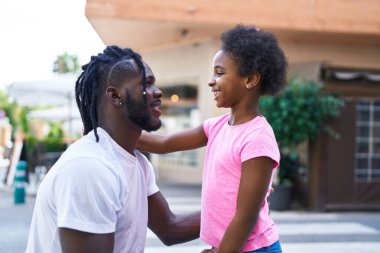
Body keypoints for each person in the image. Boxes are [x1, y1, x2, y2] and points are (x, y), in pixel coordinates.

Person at [25, 45, 200, 253]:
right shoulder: (90, 167)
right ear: (115, 96)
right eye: (146, 84)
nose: (158, 92)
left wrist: (241, 211)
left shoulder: (138, 163)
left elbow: (170, 227)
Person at [137, 25, 287, 253]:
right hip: (230, 245)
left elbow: (246, 216)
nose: (211, 81)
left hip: (254, 249)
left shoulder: (257, 138)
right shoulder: (216, 126)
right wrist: (113, 131)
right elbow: (165, 144)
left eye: (220, 72)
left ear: (250, 79)